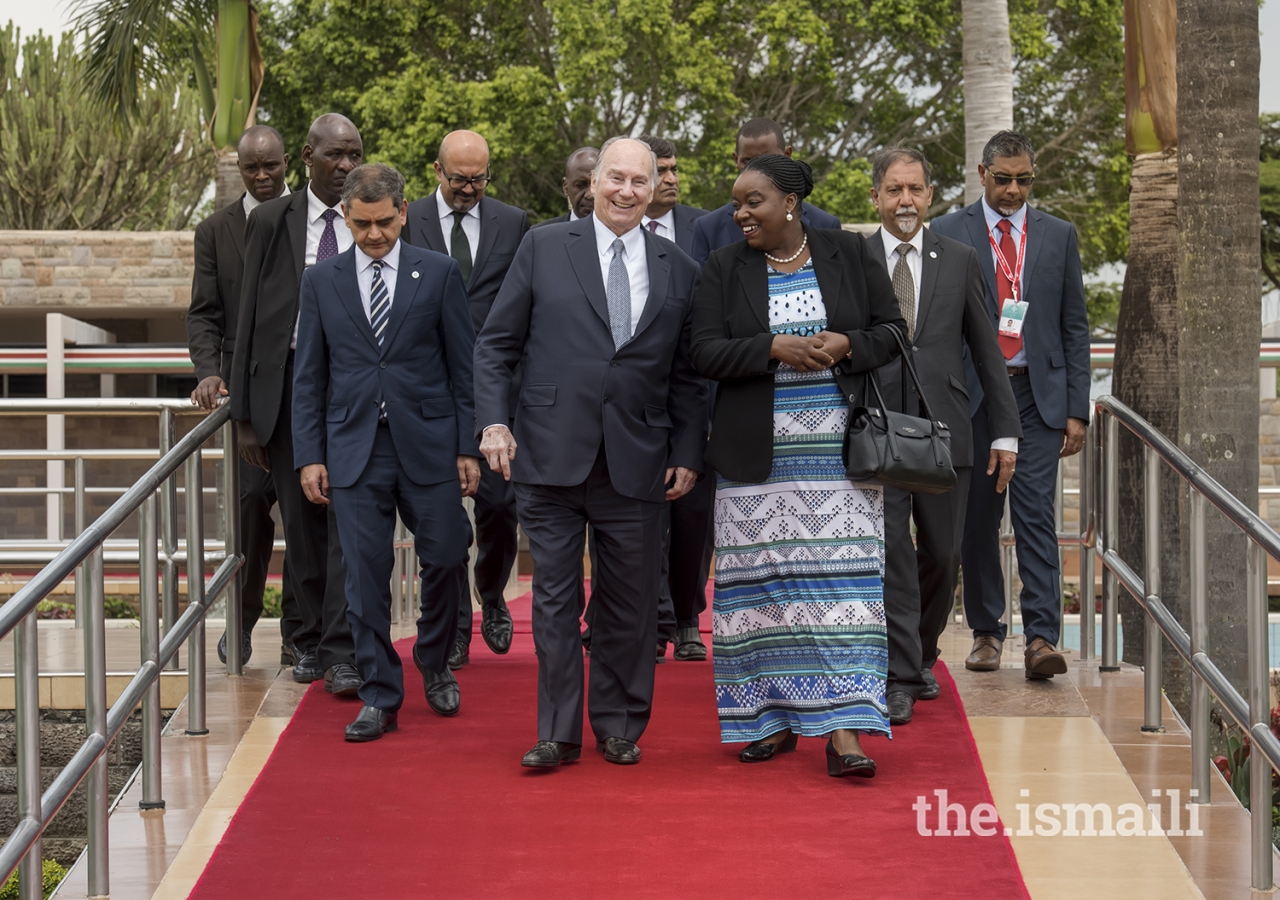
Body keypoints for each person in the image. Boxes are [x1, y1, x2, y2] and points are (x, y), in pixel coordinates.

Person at [474, 137, 706, 768]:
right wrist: (494, 422)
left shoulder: (679, 267)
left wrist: (687, 449)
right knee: (553, 600)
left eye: (640, 181)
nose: (627, 191)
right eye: (616, 178)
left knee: (629, 604)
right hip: (548, 455)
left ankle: (621, 723)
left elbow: (687, 375)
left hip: (638, 460)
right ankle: (557, 730)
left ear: (656, 187)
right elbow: (496, 345)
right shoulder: (543, 246)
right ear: (593, 181)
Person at [689, 153, 904, 778]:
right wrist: (770, 349)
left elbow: (894, 332)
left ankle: (844, 732)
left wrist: (848, 345)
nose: (740, 213)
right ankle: (770, 721)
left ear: (790, 202)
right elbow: (702, 351)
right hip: (756, 464)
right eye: (736, 203)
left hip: (841, 459)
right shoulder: (724, 266)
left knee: (844, 590)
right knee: (764, 593)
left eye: (752, 201)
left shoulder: (851, 253)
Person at [292, 163, 481, 741]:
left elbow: (463, 366)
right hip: (353, 449)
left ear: (403, 210)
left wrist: (468, 445)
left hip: (429, 444)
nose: (374, 235)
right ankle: (380, 693)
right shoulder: (321, 281)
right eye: (362, 224)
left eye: (384, 222)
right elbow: (308, 376)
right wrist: (309, 454)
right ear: (346, 217)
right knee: (363, 577)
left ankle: (432, 655)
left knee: (448, 555)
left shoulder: (440, 272)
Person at [865, 148, 1022, 725]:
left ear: (930, 195)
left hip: (945, 433)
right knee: (891, 552)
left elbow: (987, 349)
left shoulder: (958, 258)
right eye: (893, 190)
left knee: (945, 552)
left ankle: (923, 651)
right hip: (877, 433)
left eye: (915, 190)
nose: (904, 201)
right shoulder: (856, 259)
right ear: (876, 196)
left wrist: (1005, 430)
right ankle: (901, 675)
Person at [930, 131, 1090, 680]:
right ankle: (986, 633)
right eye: (1003, 179)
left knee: (1036, 518)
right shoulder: (948, 231)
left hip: (1036, 398)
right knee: (976, 519)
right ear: (981, 174)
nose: (1014, 189)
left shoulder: (1059, 235)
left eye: (1024, 179)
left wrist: (1078, 408)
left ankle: (1043, 637)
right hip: (972, 397)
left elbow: (1074, 326)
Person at [230, 113, 362, 696]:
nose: (346, 166)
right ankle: (306, 640)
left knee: (347, 519)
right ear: (308, 156)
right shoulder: (270, 221)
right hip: (285, 392)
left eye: (355, 154)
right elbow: (248, 319)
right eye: (335, 155)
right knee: (303, 525)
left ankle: (341, 646)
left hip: (353, 389)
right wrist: (245, 419)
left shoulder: (372, 216)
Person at [404, 130, 530, 670]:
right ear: (438, 170)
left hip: (494, 388)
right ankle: (455, 628)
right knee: (444, 522)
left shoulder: (513, 222)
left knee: (501, 506)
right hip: (431, 390)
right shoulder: (408, 221)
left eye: (478, 178)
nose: (469, 188)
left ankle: (493, 593)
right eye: (459, 179)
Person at [186, 124, 300, 666]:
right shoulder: (213, 230)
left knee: (308, 515)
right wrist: (209, 371)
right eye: (250, 167)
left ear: (287, 164)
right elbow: (204, 313)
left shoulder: (313, 222)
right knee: (252, 506)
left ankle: (300, 634)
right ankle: (243, 621)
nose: (261, 176)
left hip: (302, 395)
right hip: (247, 399)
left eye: (270, 166)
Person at [638, 133, 713, 661]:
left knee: (690, 515)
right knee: (638, 517)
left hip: (690, 392)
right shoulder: (602, 232)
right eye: (658, 169)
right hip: (631, 400)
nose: (670, 178)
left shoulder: (702, 229)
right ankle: (650, 619)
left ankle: (687, 616)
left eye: (673, 168)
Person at [689, 118, 841, 266]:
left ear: (787, 155)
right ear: (736, 160)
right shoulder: (709, 228)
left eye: (768, 159)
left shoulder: (825, 224)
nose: (758, 171)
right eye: (748, 162)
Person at [535, 147, 599, 226]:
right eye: (581, 185)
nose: (589, 194)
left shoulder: (617, 235)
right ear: (565, 187)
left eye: (596, 185)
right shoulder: (540, 235)